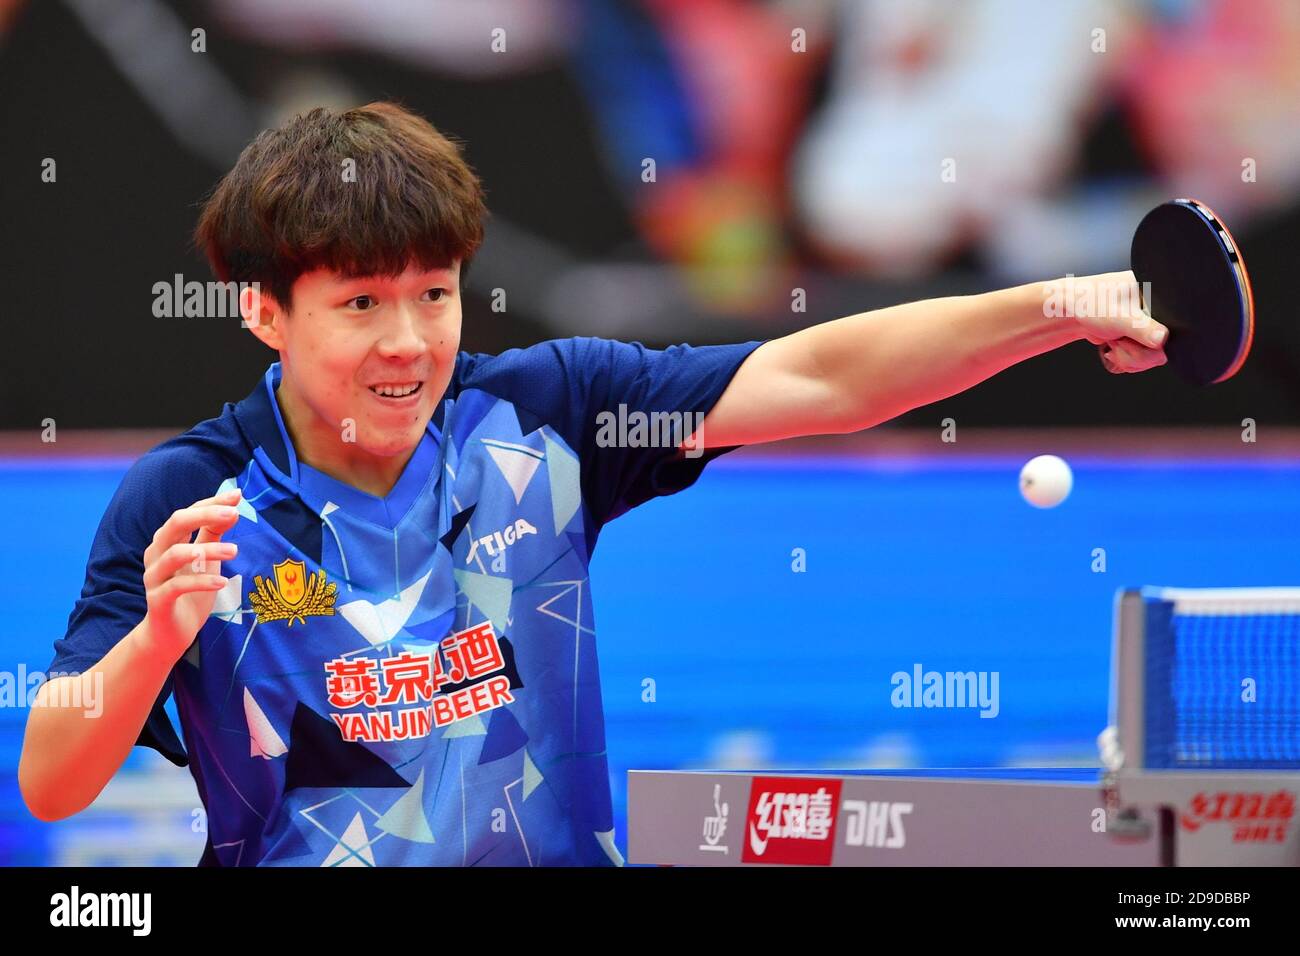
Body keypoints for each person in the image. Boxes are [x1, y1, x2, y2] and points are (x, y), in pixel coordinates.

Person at [18, 101, 1166, 866]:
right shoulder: (191, 494)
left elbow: (820, 374)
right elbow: (55, 778)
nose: (409, 340)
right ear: (264, 311)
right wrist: (156, 641)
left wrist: (1050, 306)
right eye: (361, 303)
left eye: (434, 292)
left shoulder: (544, 413)